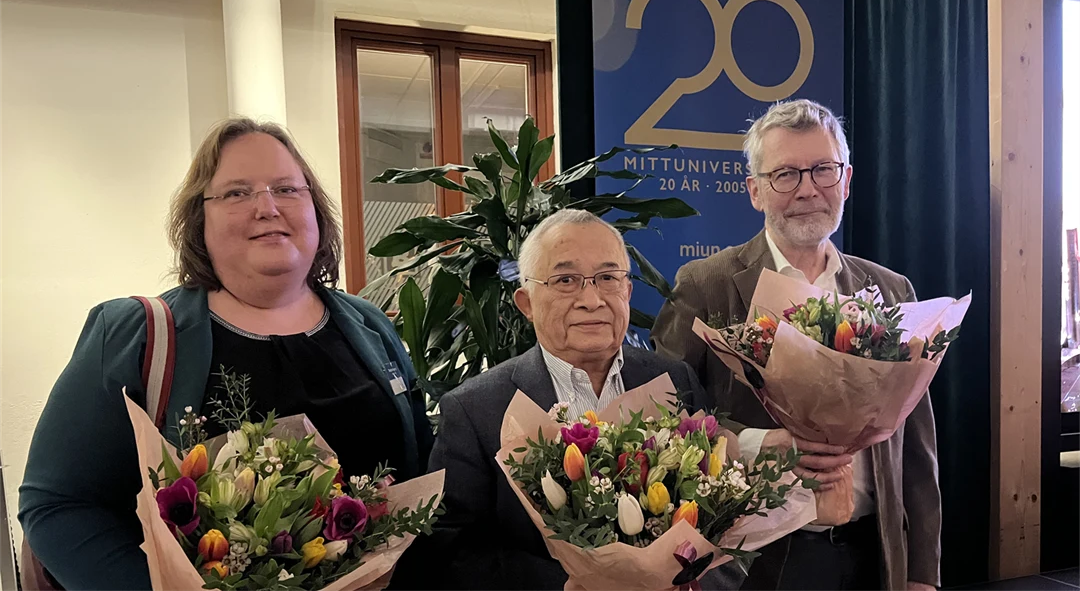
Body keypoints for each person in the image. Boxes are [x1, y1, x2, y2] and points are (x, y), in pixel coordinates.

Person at [18, 118, 433, 590]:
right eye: (237, 193)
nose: (267, 207)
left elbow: (418, 475)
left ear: (314, 209)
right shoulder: (134, 335)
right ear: (200, 218)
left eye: (287, 189)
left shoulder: (369, 325)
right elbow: (58, 506)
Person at [652, 100, 940, 591]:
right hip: (754, 564)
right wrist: (760, 445)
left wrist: (923, 574)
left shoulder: (892, 291)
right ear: (755, 191)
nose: (808, 189)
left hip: (875, 555)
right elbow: (662, 413)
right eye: (785, 174)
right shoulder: (706, 284)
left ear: (846, 180)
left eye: (823, 170)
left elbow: (916, 448)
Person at [396, 209, 740, 591]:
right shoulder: (476, 409)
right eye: (566, 280)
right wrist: (572, 584)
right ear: (526, 303)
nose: (591, 300)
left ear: (627, 290)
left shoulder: (675, 381)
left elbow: (725, 525)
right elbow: (448, 552)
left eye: (608, 278)